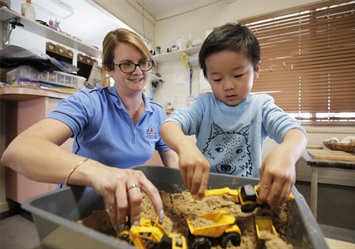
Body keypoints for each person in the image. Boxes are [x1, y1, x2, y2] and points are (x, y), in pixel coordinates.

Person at [1, 28, 178, 231]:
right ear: (109, 69)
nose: (138, 71)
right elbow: (18, 151)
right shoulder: (89, 103)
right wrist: (101, 173)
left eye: (144, 62)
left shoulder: (156, 113)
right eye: (127, 64)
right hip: (81, 209)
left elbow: (170, 156)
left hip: (128, 205)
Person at [160, 23, 307, 208]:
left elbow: (296, 132)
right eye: (217, 79)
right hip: (205, 195)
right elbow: (169, 125)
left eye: (238, 75)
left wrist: (286, 153)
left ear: (256, 69)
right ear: (207, 77)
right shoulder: (204, 105)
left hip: (246, 196)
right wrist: (184, 147)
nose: (228, 85)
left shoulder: (261, 106)